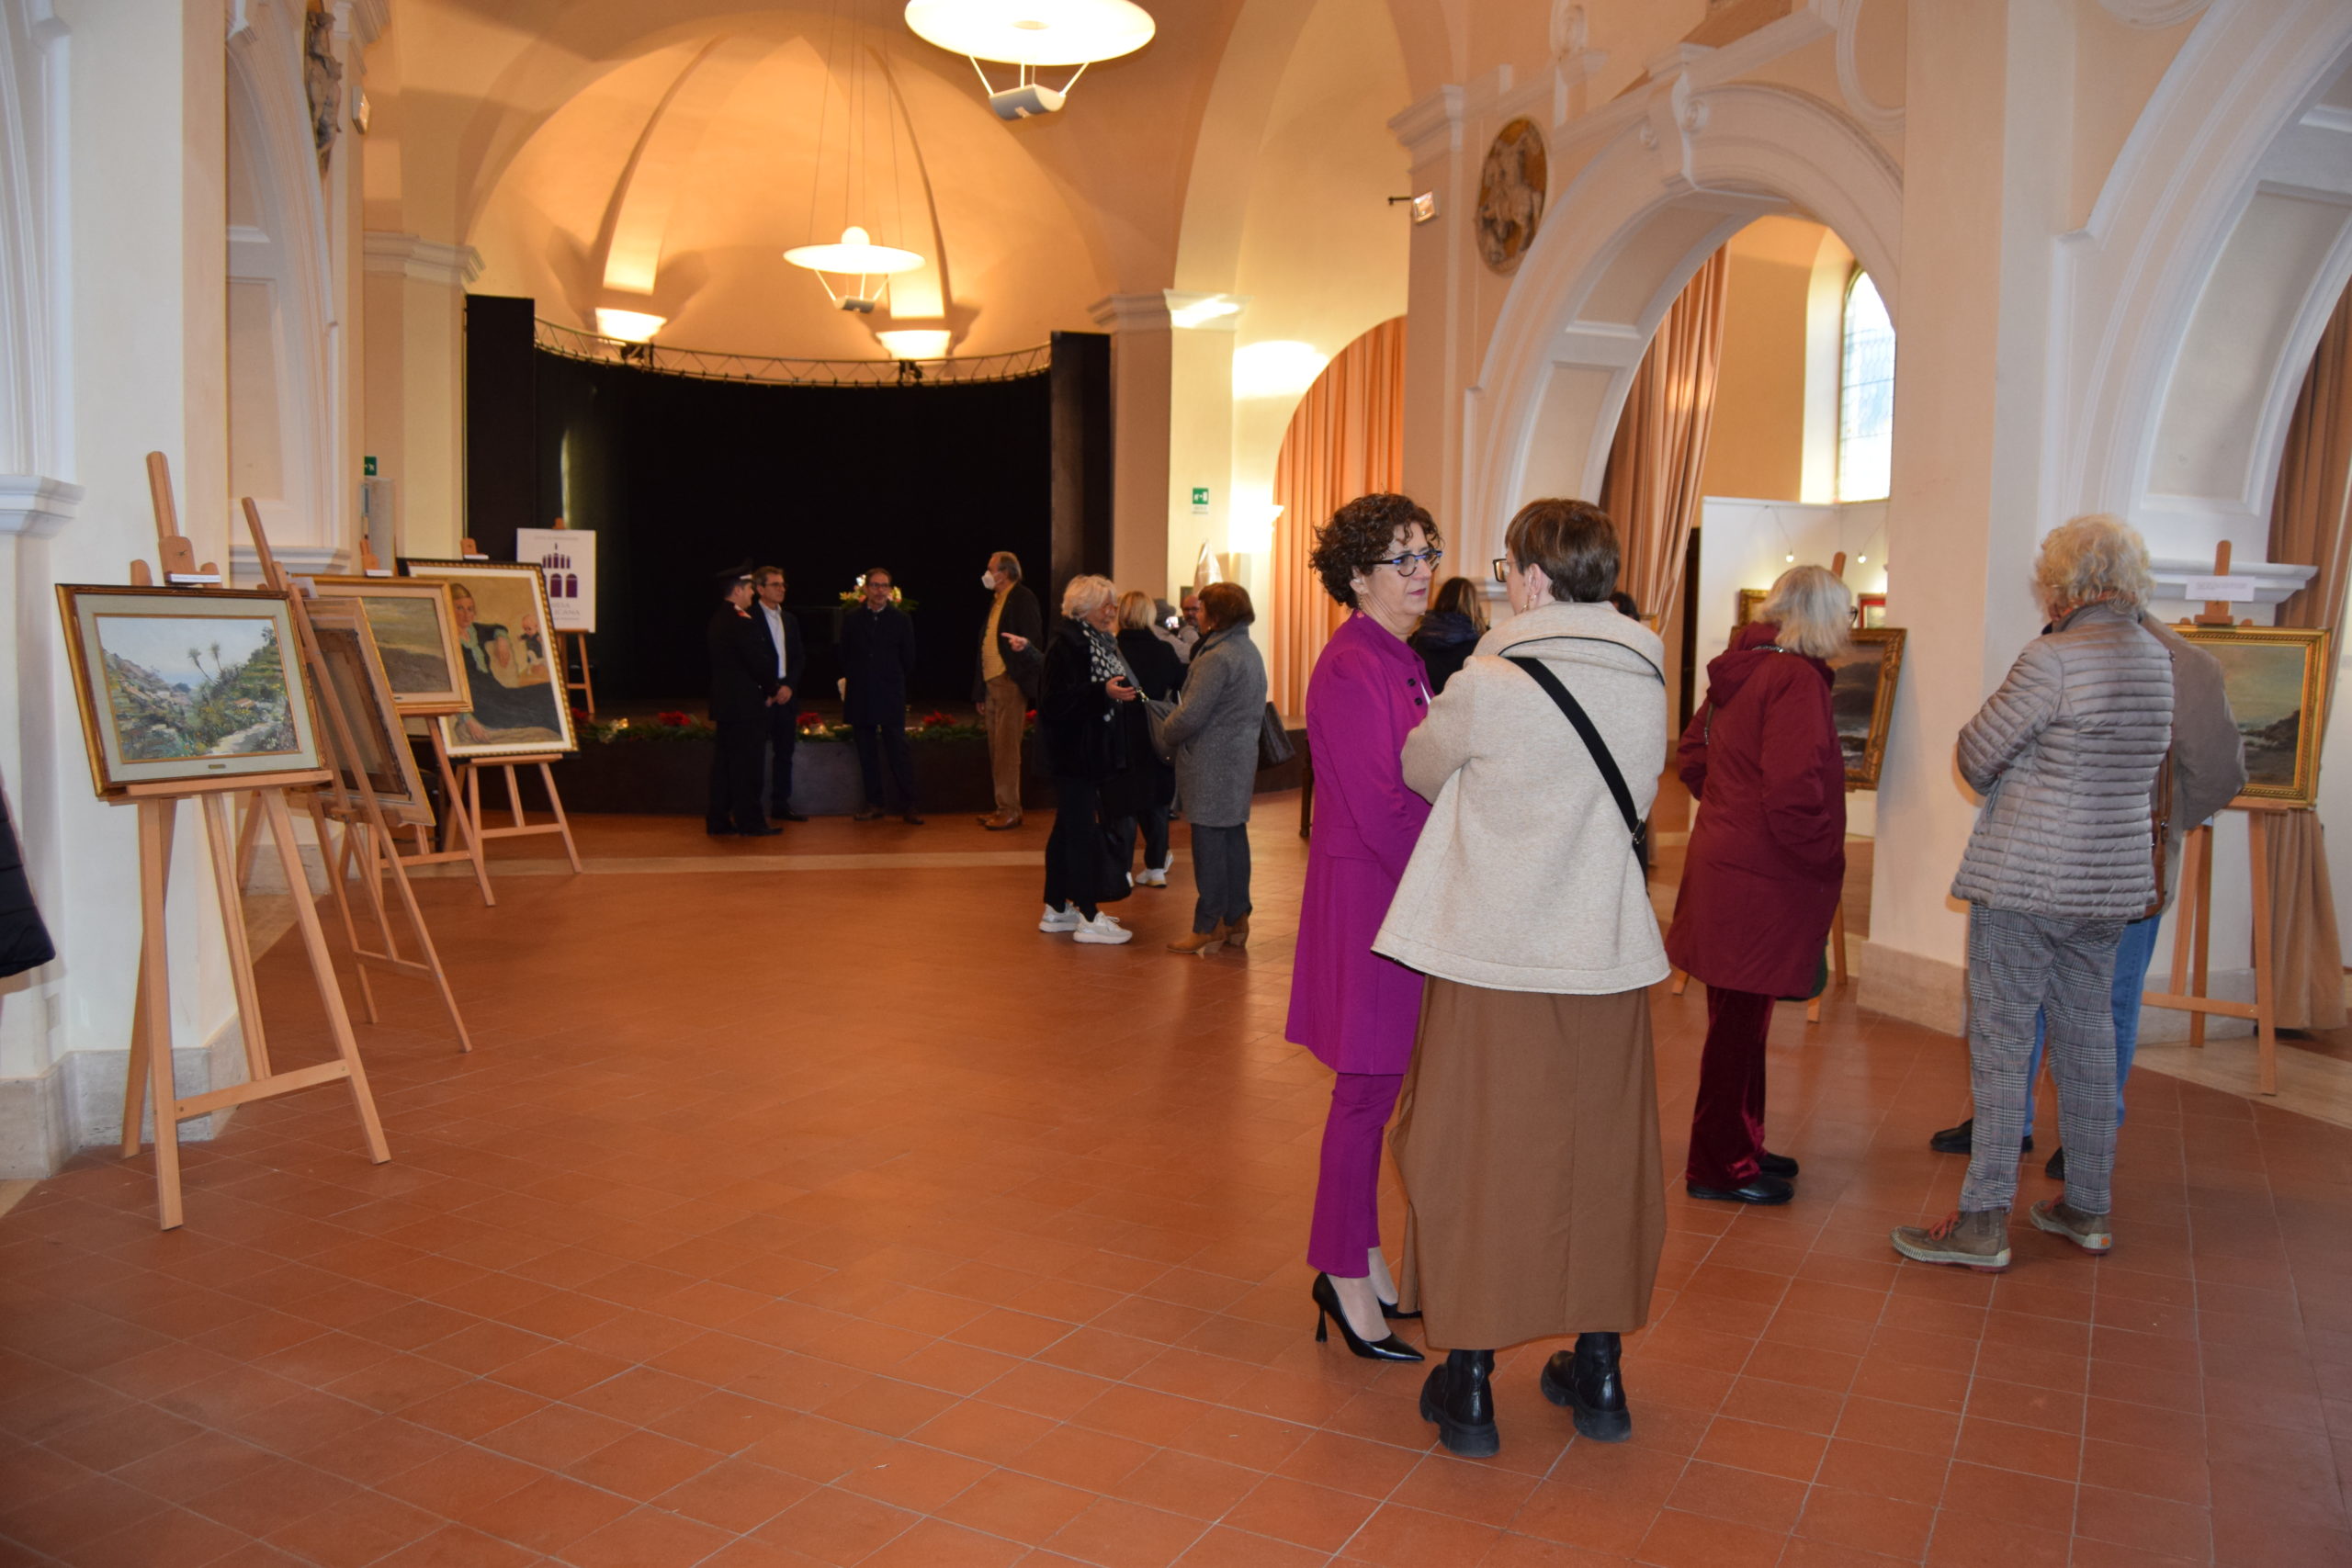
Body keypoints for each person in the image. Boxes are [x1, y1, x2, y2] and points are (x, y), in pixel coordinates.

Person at [1374, 498, 1668, 1458]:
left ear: (1535, 578)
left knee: (1476, 1153)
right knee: (1603, 1157)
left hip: (1493, 956)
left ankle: (1469, 1384)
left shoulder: (1491, 679)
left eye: (1507, 570)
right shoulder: (1649, 674)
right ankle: (1600, 1369)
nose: (1504, 585)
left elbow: (1421, 768)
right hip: (1604, 955)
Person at [1893, 514, 2175, 1272]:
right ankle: (2087, 1205)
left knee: (2002, 1042)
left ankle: (1983, 1219)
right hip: (2107, 884)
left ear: (2062, 583)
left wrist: (2024, 768)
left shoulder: (2052, 658)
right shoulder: (2156, 659)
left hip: (2025, 878)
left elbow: (1976, 753)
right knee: (2088, 1039)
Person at [1925, 604, 2245, 1179]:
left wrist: (2159, 828)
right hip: (2056, 867)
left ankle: (2083, 1142)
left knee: (2103, 1008)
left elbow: (2220, 774)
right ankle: (2014, 1126)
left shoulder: (2185, 666)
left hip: (2122, 870)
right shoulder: (2056, 647)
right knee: (2043, 1007)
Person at [1291, 494, 1442, 1364]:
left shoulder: (1398, 656)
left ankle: (1364, 1255)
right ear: (1356, 576)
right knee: (1364, 1094)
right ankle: (1343, 1270)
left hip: (1396, 894)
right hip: (1374, 905)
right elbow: (1383, 806)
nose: (1421, 571)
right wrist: (1453, 869)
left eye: (1427, 553)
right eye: (1402, 558)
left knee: (1375, 1094)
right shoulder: (1353, 664)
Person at [1667, 565, 1852, 1208]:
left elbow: (1692, 756)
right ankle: (1721, 1164)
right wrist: (1825, 857)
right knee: (1738, 1027)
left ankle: (1743, 1138)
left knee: (1740, 1021)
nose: (1850, 625)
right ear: (1822, 617)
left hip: (1729, 863)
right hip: (1763, 876)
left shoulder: (1740, 670)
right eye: (1847, 613)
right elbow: (1794, 791)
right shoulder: (1796, 679)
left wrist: (1729, 807)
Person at [1148, 582, 1268, 955]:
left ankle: (1208, 923)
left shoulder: (1217, 656)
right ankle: (1236, 920)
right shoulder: (1247, 649)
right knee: (1232, 839)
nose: (1196, 614)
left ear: (1216, 616)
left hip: (1211, 763)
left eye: (1201, 609)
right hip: (1237, 759)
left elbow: (1191, 714)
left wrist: (1165, 729)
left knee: (1209, 843)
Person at [1038, 575, 1138, 944]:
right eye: (1105, 605)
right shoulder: (1069, 643)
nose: (1112, 612)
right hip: (1073, 755)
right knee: (1080, 834)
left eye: (1114, 605)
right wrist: (1102, 692)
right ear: (1083, 608)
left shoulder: (1097, 640)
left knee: (1066, 829)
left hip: (1086, 754)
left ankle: (1056, 908)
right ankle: (1089, 914)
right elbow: (1053, 702)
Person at [1112, 590, 1183, 887]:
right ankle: (1155, 868)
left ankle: (1123, 871)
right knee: (1157, 802)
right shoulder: (1164, 650)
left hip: (1120, 735)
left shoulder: (1111, 650)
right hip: (1157, 735)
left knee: (1123, 803)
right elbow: (1181, 685)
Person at [840, 569, 922, 825]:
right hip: (860, 694)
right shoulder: (852, 618)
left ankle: (910, 804)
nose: (879, 591)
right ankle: (874, 804)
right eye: (875, 585)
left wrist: (888, 677)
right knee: (866, 753)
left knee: (898, 750)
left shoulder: (901, 619)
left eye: (884, 586)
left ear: (890, 590)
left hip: (889, 693)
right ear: (866, 589)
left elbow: (908, 658)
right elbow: (844, 654)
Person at [706, 569, 781, 838]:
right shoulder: (740, 620)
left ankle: (718, 820)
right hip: (746, 707)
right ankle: (751, 822)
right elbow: (758, 662)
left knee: (725, 766)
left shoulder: (718, 618)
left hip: (726, 705)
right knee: (748, 766)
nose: (752, 594)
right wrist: (772, 688)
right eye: (749, 589)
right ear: (737, 590)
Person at [976, 551, 1044, 829]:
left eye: (990, 568)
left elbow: (1032, 640)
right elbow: (984, 645)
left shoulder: (1022, 598)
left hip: (1009, 682)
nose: (987, 574)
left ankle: (1010, 809)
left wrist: (1018, 676)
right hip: (992, 683)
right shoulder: (997, 600)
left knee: (1007, 750)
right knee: (996, 749)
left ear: (1003, 573)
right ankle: (1002, 806)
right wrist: (980, 690)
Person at [750, 566, 808, 823]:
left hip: (786, 693)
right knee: (755, 753)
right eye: (775, 584)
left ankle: (781, 804)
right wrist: (769, 689)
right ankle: (751, 807)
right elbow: (750, 660)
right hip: (761, 695)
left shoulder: (790, 619)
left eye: (783, 584)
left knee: (785, 752)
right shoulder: (749, 617)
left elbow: (799, 657)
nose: (782, 589)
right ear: (760, 589)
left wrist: (789, 686)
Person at [1408, 574, 1487, 694]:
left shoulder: (1418, 637)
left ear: (1441, 599)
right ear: (1473, 604)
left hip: (1425, 703)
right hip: (1460, 704)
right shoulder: (1482, 641)